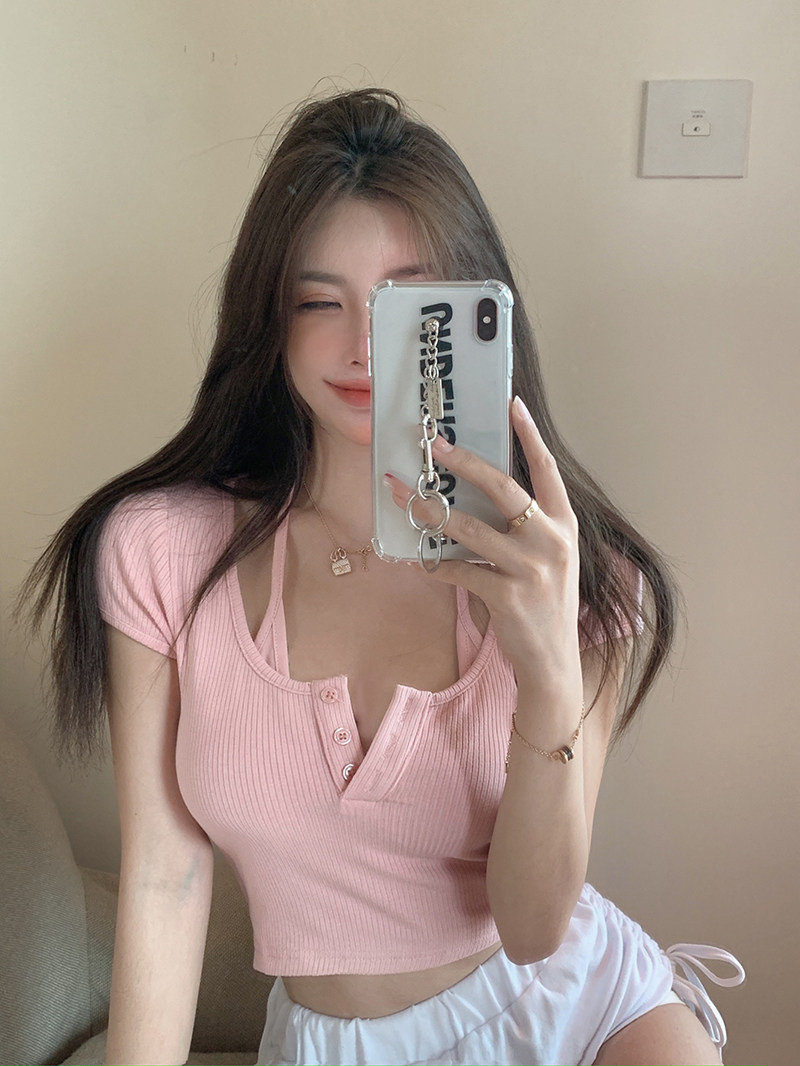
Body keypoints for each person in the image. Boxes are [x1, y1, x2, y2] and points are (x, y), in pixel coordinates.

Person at [19, 88, 744, 1066]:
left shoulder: (583, 584)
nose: (362, 344)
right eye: (319, 302)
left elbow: (534, 926)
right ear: (269, 324)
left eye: (409, 305)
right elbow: (165, 877)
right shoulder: (161, 553)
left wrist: (544, 669)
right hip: (334, 1042)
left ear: (477, 317)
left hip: (580, 1008)